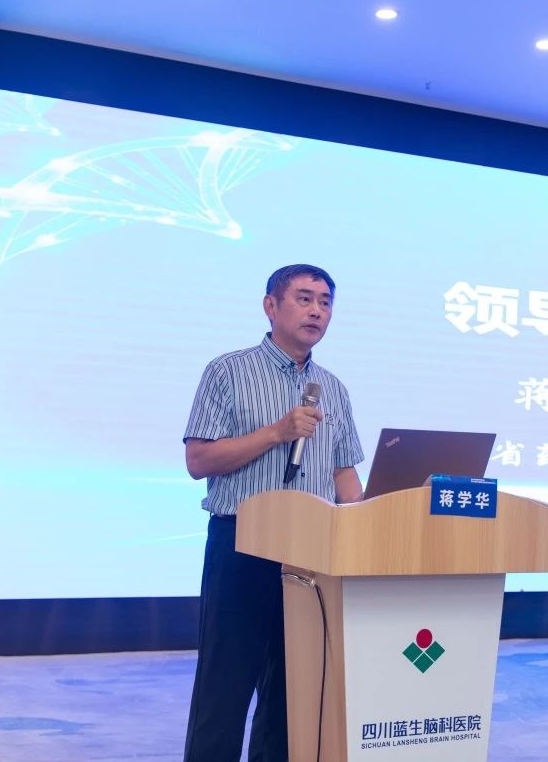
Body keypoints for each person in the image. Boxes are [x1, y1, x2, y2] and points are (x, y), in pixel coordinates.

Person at [181, 263, 364, 762]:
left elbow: (344, 475)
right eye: (304, 299)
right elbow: (198, 461)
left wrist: (366, 523)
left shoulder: (333, 388)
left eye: (325, 302)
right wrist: (276, 433)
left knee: (292, 693)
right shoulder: (228, 370)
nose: (316, 311)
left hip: (312, 554)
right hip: (243, 544)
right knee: (225, 688)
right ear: (271, 305)